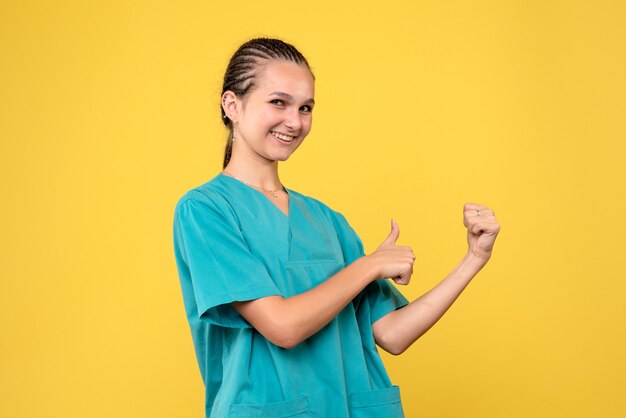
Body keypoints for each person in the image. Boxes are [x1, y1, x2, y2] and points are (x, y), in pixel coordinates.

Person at [173, 37, 501, 418]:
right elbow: (283, 327)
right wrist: (369, 265)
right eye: (278, 102)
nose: (294, 122)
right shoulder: (205, 210)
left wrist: (474, 259)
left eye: (306, 107)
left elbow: (392, 334)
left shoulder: (327, 221)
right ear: (232, 105)